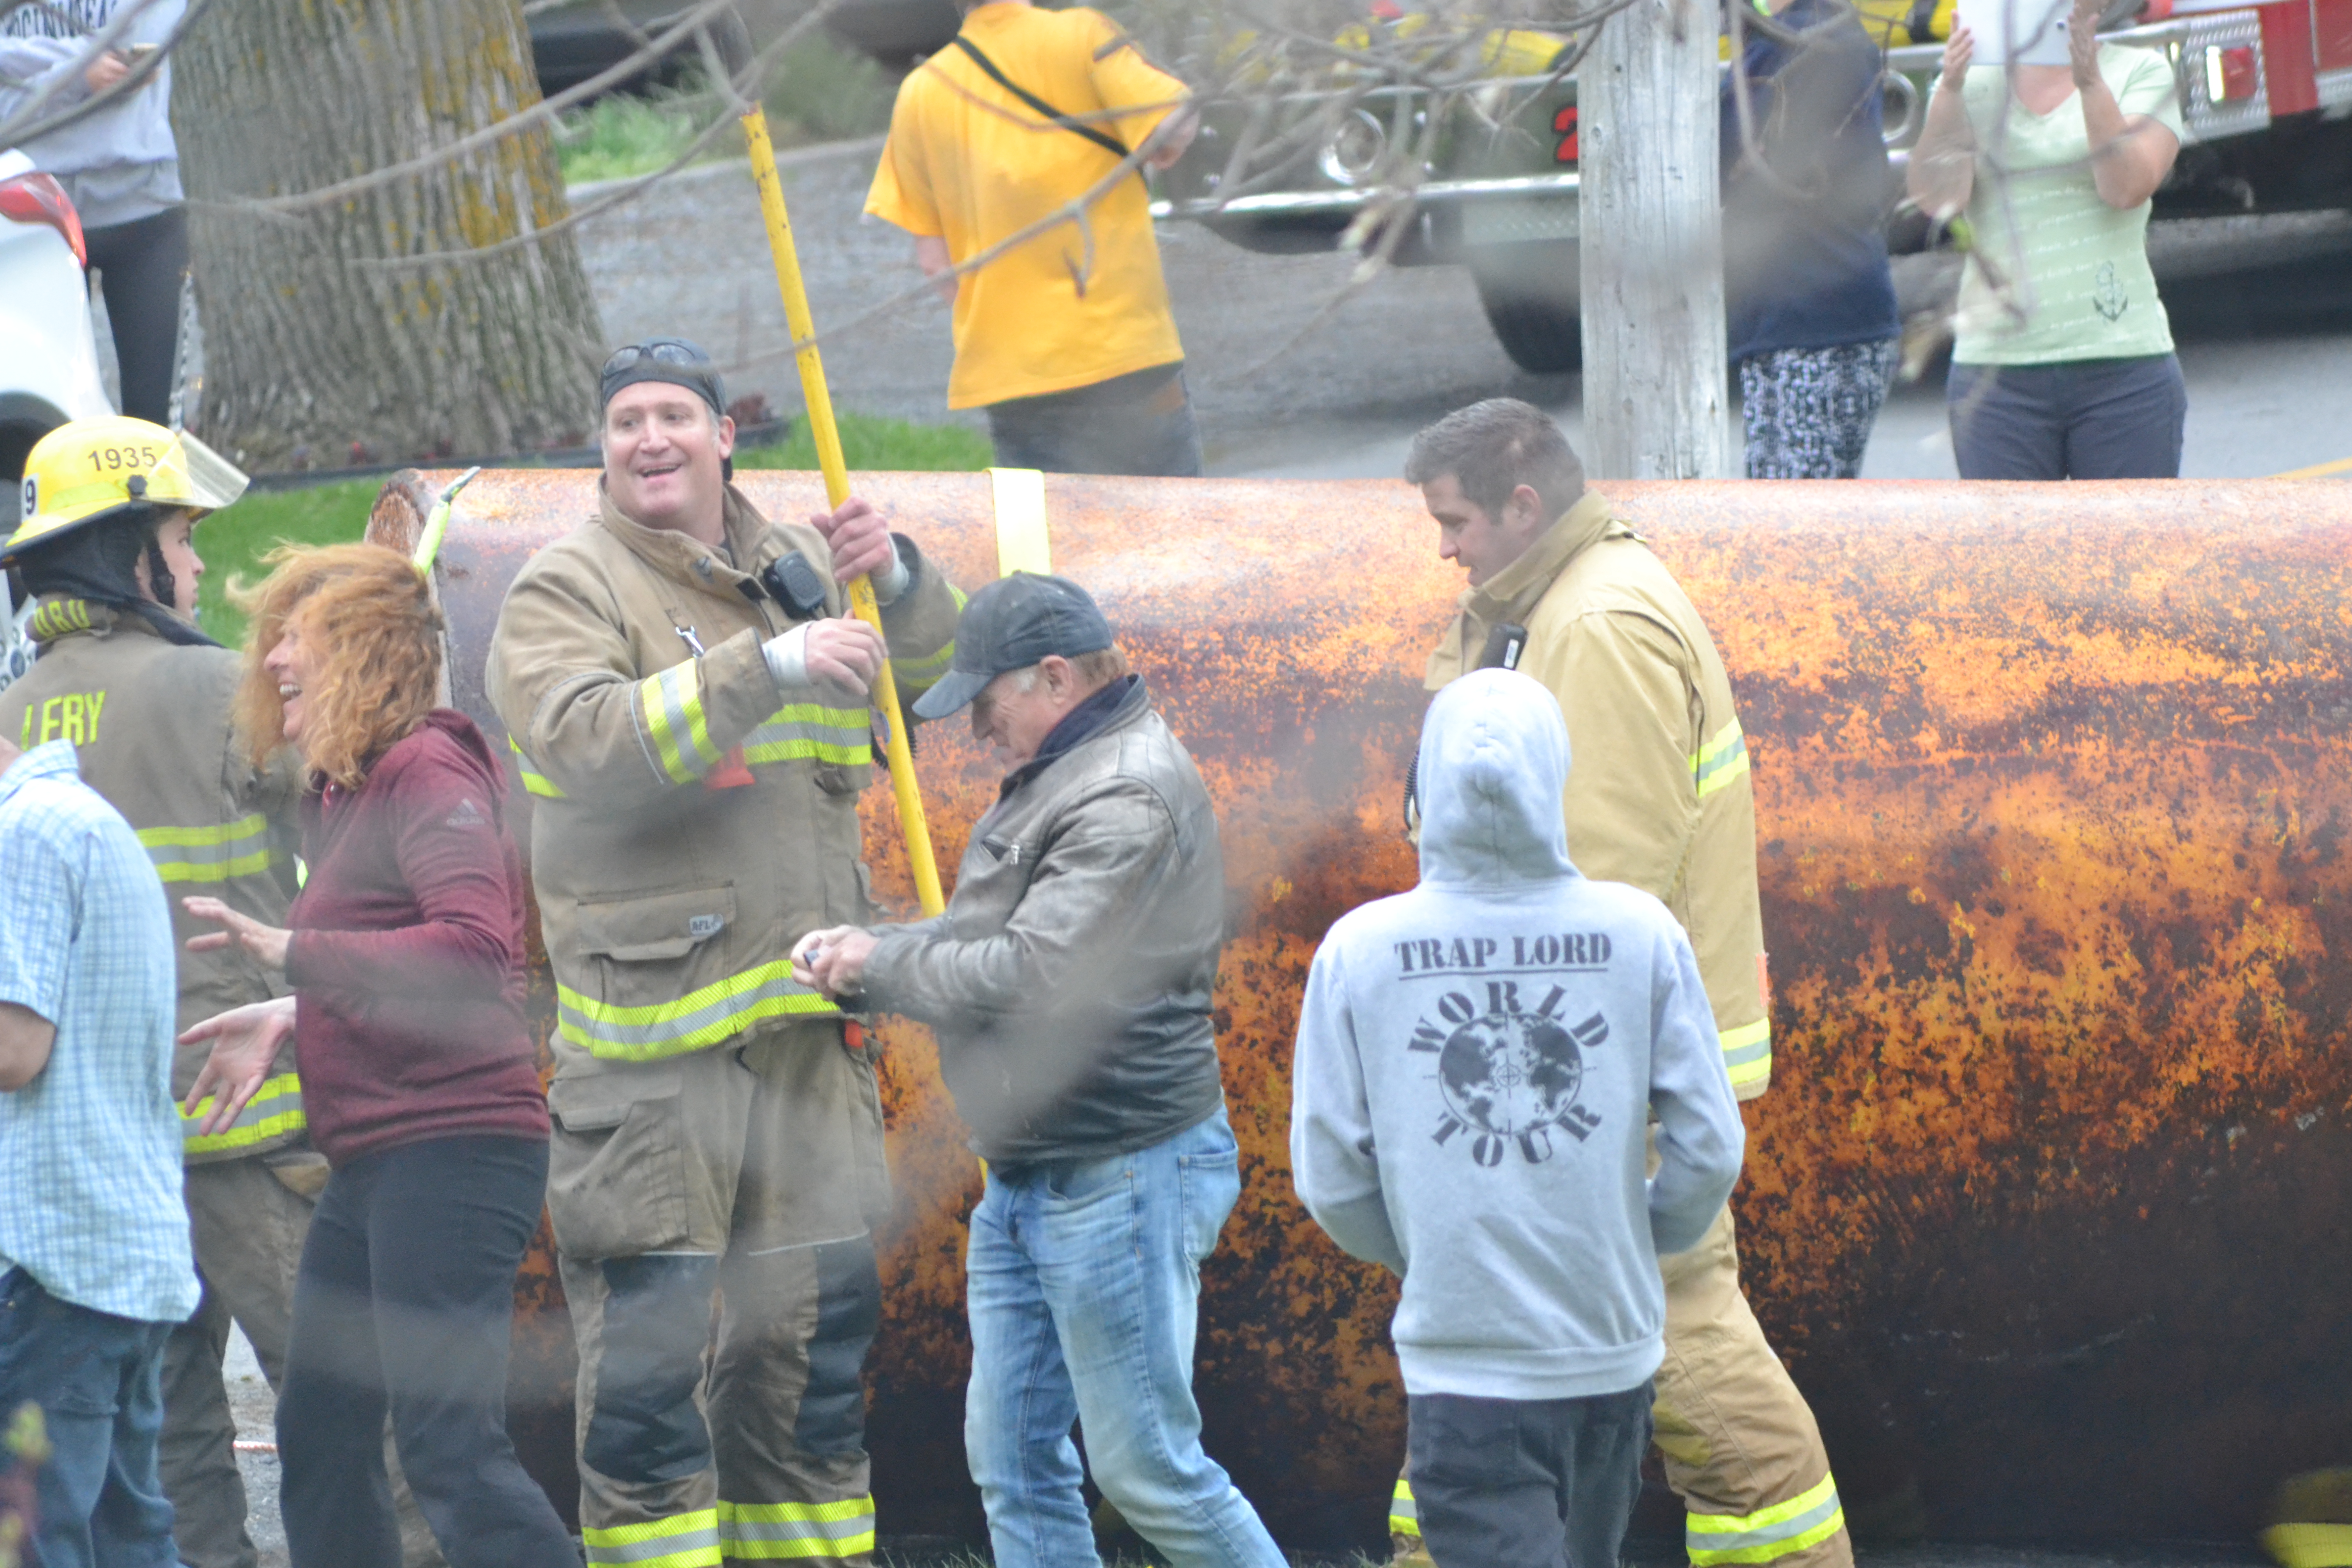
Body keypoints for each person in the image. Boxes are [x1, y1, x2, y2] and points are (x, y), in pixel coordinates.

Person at [483, 336, 963, 1568]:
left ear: (723, 434)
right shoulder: (565, 588)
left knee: (806, 1369)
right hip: (653, 1076)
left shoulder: (799, 570)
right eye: (627, 420)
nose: (651, 439)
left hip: (808, 1052)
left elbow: (930, 691)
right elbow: (582, 741)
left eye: (675, 416)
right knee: (650, 1390)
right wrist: (771, 664)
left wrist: (899, 582)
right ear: (603, 447)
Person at [1387, 400, 1852, 1568]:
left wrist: (1530, 1091)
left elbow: (1590, 886)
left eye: (1453, 521)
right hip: (1563, 1066)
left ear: (1523, 505)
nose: (1442, 545)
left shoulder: (1597, 626)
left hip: (1596, 1075)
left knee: (1680, 1330)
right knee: (1496, 1345)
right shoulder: (1537, 607)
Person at [790, 572, 1285, 1568]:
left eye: (986, 701)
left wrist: (880, 965)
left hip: (1119, 1173)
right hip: (1035, 1172)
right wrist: (876, 944)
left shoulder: (1125, 792)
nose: (975, 727)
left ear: (1055, 677)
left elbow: (1036, 973)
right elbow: (995, 934)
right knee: (1013, 1461)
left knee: (1148, 1466)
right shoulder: (1074, 767)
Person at [1292, 668, 1747, 1568]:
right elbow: (1708, 1148)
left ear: (1423, 785)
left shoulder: (1358, 949)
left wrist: (1422, 1251)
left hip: (1466, 1367)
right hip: (1610, 1354)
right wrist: (1630, 1239)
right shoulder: (1639, 932)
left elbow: (1330, 1175)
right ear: (1556, 777)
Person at [176, 543, 574, 1568]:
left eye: (294, 640)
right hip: (381, 1157)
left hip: (452, 1152)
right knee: (319, 1435)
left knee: (449, 1446)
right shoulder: (353, 789)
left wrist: (291, 952)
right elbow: (389, 967)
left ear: (362, 652)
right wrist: (290, 1012)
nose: (270, 665)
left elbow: (476, 951)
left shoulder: (424, 769)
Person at [0, 415, 323, 1568]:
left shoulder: (12, 716)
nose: (192, 567)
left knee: (174, 1444)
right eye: (182, 539)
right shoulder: (217, 685)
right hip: (255, 1124)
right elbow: (346, 806)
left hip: (102, 1162)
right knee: (341, 1408)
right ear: (128, 549)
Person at [0, 722, 199, 1568]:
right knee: (126, 1537)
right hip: (110, 1255)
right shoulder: (83, 820)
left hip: (49, 1264)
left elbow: (14, 1047)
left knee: (35, 1542)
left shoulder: (22, 834)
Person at [864, 0, 1205, 476]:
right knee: (1170, 540)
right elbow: (1171, 129)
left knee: (1055, 546)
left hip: (1015, 385)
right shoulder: (1084, 36)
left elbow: (935, 265)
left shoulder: (922, 92)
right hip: (1127, 359)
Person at [1906, 0, 2186, 478]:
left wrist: (2091, 83)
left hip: (2124, 365)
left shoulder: (2143, 72)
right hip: (1997, 375)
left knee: (2131, 552)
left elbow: (2125, 188)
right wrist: (1950, 90)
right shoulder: (1972, 83)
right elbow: (1938, 200)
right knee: (2014, 554)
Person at [1720, 0, 1903, 478]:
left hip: (1819, 322)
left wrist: (1741, 159)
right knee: (1789, 516)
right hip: (1799, 318)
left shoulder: (1811, 38)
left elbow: (1718, 147)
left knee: (1795, 528)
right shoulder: (1795, 35)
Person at [0, 0, 193, 425]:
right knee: (53, 419)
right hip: (37, 216)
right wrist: (79, 73)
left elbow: (140, 51)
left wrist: (33, 68)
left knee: (155, 420)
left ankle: (153, 496)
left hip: (145, 207)